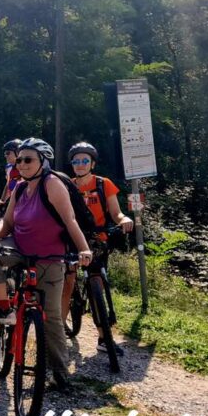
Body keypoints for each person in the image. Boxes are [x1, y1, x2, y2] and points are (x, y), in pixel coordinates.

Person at [0, 137, 92, 391]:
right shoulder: (18, 187)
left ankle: (60, 374)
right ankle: (4, 309)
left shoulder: (52, 184)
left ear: (43, 161)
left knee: (51, 318)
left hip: (50, 257)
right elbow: (7, 222)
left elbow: (70, 220)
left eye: (28, 159)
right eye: (19, 160)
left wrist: (83, 248)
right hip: (19, 248)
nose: (22, 164)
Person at [61, 141, 134, 356]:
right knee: (68, 282)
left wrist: (124, 219)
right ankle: (55, 337)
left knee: (98, 285)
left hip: (97, 240)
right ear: (72, 164)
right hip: (73, 239)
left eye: (85, 160)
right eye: (76, 161)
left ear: (92, 163)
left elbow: (115, 212)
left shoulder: (103, 184)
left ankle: (103, 337)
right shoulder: (66, 185)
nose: (80, 164)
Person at [0, 139, 22, 215]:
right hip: (14, 204)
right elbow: (8, 184)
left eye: (8, 153)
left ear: (17, 152)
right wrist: (2, 201)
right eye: (5, 154)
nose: (5, 156)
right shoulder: (8, 168)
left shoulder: (27, 167)